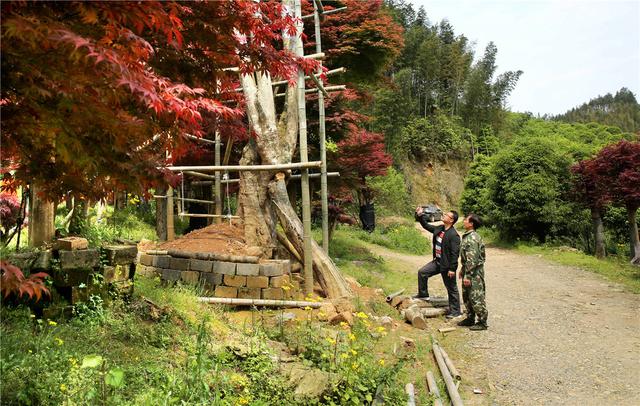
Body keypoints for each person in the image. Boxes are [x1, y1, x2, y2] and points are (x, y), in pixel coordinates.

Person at [414, 207, 462, 319]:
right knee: (422, 272)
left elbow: (455, 254)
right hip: (437, 262)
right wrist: (420, 215)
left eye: (446, 215)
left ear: (451, 220)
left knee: (451, 288)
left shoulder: (453, 235)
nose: (444, 215)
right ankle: (423, 295)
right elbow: (426, 226)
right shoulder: (440, 228)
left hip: (447, 266)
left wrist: (452, 269)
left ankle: (456, 311)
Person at [458, 213, 488, 330]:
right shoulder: (468, 236)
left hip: (474, 273)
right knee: (467, 296)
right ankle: (470, 318)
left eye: (466, 219)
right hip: (468, 271)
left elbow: (473, 260)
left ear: (471, 224)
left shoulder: (473, 238)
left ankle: (482, 321)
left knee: (476, 297)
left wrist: (468, 275)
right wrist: (462, 269)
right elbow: (467, 258)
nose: (464, 220)